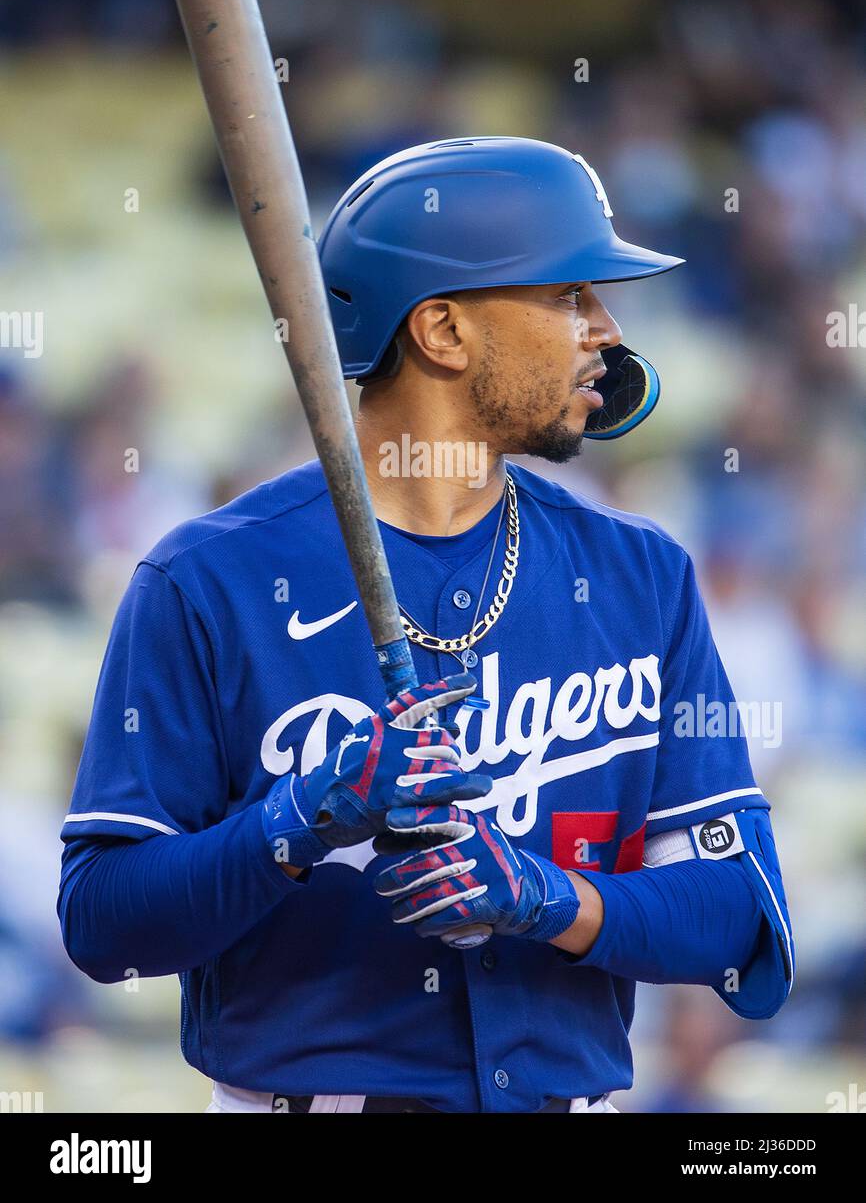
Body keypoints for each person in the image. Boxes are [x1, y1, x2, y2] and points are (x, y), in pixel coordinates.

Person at [58, 137, 793, 1114]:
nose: (606, 331)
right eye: (570, 295)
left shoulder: (639, 575)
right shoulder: (207, 579)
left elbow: (739, 915)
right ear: (443, 330)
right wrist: (295, 820)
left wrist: (544, 897)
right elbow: (104, 923)